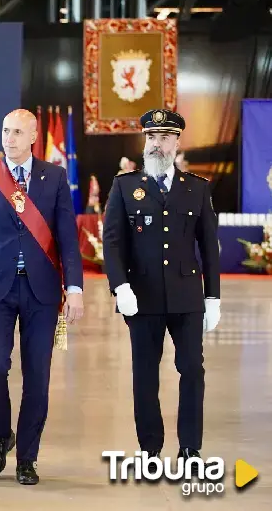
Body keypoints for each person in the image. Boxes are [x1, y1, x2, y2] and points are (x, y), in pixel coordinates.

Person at [0, 108, 84, 485]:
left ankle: (27, 457)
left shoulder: (55, 178)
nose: (8, 138)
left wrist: (74, 289)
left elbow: (67, 238)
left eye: (16, 132)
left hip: (42, 291)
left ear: (33, 136)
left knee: (37, 376)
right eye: (4, 131)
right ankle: (2, 435)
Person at [101, 109, 220, 467]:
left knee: (192, 370)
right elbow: (113, 242)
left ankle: (190, 447)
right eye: (151, 137)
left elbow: (209, 247)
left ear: (177, 143)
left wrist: (212, 296)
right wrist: (120, 286)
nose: (157, 144)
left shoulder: (196, 188)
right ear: (145, 141)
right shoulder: (124, 186)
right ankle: (150, 446)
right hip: (142, 297)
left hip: (186, 297)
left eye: (165, 137)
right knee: (145, 374)